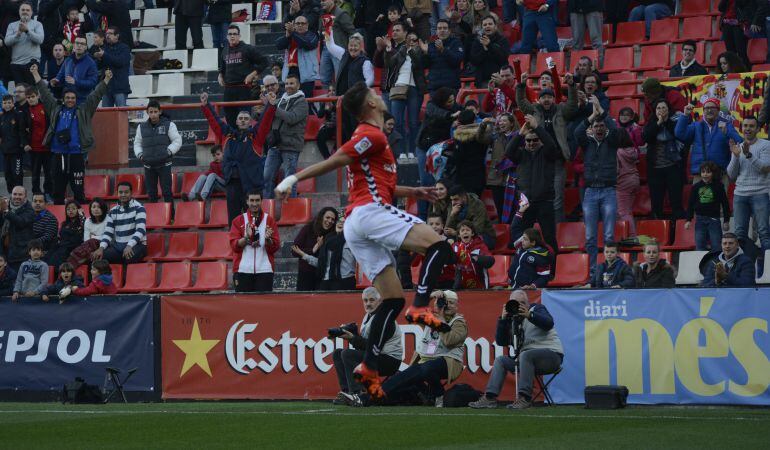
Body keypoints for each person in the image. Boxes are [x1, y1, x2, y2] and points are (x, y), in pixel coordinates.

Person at [274, 81, 457, 398]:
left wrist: (415, 192)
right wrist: (294, 177)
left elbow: (382, 186)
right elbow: (337, 159)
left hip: (359, 222)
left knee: (392, 299)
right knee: (440, 246)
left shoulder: (376, 142)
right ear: (370, 105)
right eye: (375, 94)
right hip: (369, 213)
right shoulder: (368, 134)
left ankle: (369, 367)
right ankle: (420, 308)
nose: (380, 96)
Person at [469, 289, 563, 409]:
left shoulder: (537, 309)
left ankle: (525, 398)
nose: (519, 307)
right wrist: (503, 320)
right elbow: (501, 342)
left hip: (552, 357)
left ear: (528, 304)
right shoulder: (513, 320)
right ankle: (489, 398)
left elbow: (549, 323)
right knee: (501, 360)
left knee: (525, 355)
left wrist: (529, 315)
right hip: (527, 362)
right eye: (515, 303)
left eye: (522, 303)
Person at [31, 64, 111, 205]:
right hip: (57, 155)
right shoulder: (55, 108)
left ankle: (82, 221)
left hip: (76, 155)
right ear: (63, 98)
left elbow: (95, 96)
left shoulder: (84, 110)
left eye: (73, 98)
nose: (70, 100)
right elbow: (44, 92)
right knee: (58, 191)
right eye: (67, 97)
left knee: (78, 190)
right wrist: (36, 74)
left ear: (76, 99)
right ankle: (59, 222)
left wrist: (106, 80)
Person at [377, 290, 467, 407]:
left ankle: (439, 394)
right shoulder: (430, 319)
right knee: (403, 377)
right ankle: (374, 396)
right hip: (426, 361)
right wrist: (430, 296)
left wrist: (441, 319)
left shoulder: (459, 322)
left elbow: (449, 341)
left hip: (448, 361)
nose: (447, 306)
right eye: (444, 302)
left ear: (457, 306)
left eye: (451, 303)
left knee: (426, 368)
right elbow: (412, 315)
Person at [200, 91, 275, 223]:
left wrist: (271, 105)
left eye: (246, 118)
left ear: (250, 122)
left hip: (252, 186)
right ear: (236, 121)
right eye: (240, 118)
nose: (243, 120)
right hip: (233, 185)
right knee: (234, 222)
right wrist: (206, 106)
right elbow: (215, 121)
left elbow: (265, 121)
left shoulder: (256, 136)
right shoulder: (227, 135)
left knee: (254, 222)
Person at [516, 74, 579, 223]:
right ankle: (541, 228)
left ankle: (558, 229)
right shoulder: (535, 110)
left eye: (549, 97)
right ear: (540, 99)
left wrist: (571, 86)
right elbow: (521, 103)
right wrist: (521, 86)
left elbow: (573, 105)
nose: (546, 100)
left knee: (557, 197)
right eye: (543, 97)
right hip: (539, 159)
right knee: (539, 196)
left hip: (557, 160)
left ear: (553, 99)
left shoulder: (561, 110)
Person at [575, 98, 627, 275]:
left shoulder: (611, 141)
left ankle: (609, 270)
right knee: (590, 237)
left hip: (608, 191)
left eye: (601, 126)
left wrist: (603, 113)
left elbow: (616, 129)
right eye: (595, 126)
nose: (598, 128)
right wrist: (593, 115)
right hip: (590, 192)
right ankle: (592, 272)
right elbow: (577, 132)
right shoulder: (586, 143)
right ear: (592, 128)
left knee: (609, 236)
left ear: (604, 128)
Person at [333, 287, 404, 406]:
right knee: (337, 353)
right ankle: (346, 393)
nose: (368, 304)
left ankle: (357, 394)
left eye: (371, 300)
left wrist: (352, 338)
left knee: (347, 354)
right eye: (365, 300)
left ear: (380, 301)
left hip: (389, 360)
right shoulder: (370, 316)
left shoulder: (383, 319)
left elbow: (373, 347)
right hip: (377, 356)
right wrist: (350, 333)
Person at [505, 115, 559, 253]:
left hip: (544, 202)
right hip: (526, 203)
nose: (531, 143)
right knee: (523, 238)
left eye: (535, 140)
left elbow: (551, 144)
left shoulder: (547, 153)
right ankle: (526, 266)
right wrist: (520, 134)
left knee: (549, 238)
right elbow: (508, 151)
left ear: (540, 140)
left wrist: (537, 128)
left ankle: (553, 270)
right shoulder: (521, 154)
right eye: (528, 140)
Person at [374, 24, 426, 158]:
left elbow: (420, 63)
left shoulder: (420, 52)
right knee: (397, 122)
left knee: (413, 122)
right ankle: (401, 151)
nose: (411, 42)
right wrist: (390, 48)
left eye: (414, 40)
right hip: (398, 87)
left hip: (414, 90)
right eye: (410, 39)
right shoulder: (401, 50)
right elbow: (390, 63)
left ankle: (413, 151)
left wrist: (413, 50)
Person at [726, 116, 770, 256]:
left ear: (758, 129)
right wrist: (737, 156)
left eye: (751, 126)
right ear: (741, 128)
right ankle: (742, 268)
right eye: (745, 126)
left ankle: (768, 269)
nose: (748, 129)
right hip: (740, 194)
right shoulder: (738, 147)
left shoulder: (765, 145)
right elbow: (731, 175)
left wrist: (749, 155)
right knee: (739, 234)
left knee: (763, 231)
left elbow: (765, 168)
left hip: (760, 193)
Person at [262, 74, 309, 199]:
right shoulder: (281, 99)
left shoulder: (302, 102)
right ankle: (268, 207)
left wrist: (272, 106)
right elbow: (269, 118)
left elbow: (291, 118)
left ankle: (291, 211)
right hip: (275, 144)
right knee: (267, 177)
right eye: (287, 83)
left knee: (289, 180)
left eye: (292, 83)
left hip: (291, 145)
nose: (288, 86)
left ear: (298, 85)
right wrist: (265, 108)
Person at [676, 99, 743, 183]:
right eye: (706, 108)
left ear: (718, 110)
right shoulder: (696, 125)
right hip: (700, 173)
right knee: (700, 196)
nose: (709, 110)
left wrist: (727, 132)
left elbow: (739, 142)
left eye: (712, 107)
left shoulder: (726, 125)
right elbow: (680, 134)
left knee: (720, 196)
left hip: (720, 174)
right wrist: (685, 115)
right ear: (703, 111)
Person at [642, 99, 686, 219]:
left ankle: (677, 231)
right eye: (658, 108)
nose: (661, 110)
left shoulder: (675, 122)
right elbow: (645, 137)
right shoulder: (651, 123)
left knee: (676, 202)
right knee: (656, 203)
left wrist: (665, 122)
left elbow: (678, 134)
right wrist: (658, 123)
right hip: (655, 169)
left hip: (673, 168)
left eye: (663, 108)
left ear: (668, 110)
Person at [229, 191, 281, 292]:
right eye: (251, 200)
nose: (254, 203)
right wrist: (246, 238)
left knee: (263, 305)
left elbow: (275, 247)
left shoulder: (269, 220)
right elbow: (234, 246)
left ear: (261, 201)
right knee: (243, 305)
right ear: (247, 202)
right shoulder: (238, 221)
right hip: (242, 270)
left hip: (265, 270)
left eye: (257, 200)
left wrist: (268, 240)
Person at [133, 100, 182, 205]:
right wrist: (141, 155)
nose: (153, 114)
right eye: (151, 112)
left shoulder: (169, 125)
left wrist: (168, 152)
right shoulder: (141, 127)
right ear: (147, 113)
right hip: (148, 166)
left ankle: (171, 218)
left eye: (155, 111)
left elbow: (177, 140)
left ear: (160, 111)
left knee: (167, 193)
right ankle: (154, 219)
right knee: (151, 194)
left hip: (165, 164)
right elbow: (137, 143)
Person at [219, 24, 269, 126]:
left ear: (239, 36)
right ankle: (233, 139)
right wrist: (220, 75)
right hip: (228, 91)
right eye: (230, 34)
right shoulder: (224, 50)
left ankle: (246, 139)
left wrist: (252, 74)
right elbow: (222, 67)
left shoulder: (247, 48)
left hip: (243, 89)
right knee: (230, 119)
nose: (232, 36)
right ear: (227, 36)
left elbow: (264, 61)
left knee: (244, 119)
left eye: (234, 34)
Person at [294, 215, 357, 291]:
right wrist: (304, 255)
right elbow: (321, 264)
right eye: (339, 221)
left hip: (345, 281)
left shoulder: (352, 242)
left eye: (344, 222)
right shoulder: (328, 242)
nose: (340, 223)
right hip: (326, 282)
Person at [92, 182, 147, 264]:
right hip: (118, 247)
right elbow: (108, 233)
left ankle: (125, 276)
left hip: (137, 245)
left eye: (126, 192)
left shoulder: (139, 208)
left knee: (128, 257)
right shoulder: (113, 211)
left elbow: (140, 230)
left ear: (131, 193)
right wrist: (101, 248)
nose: (123, 194)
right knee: (99, 256)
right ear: (117, 193)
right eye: (120, 192)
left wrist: (129, 245)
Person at [686, 161, 731, 251]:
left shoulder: (718, 186)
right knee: (699, 245)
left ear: (713, 173)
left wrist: (726, 220)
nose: (705, 174)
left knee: (717, 246)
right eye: (703, 172)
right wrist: (688, 220)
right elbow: (690, 204)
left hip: (714, 220)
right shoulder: (696, 187)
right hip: (700, 220)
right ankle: (701, 264)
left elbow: (725, 204)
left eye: (708, 172)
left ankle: (717, 265)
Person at [292, 207, 339, 291]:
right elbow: (294, 250)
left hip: (323, 275)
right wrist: (313, 249)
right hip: (306, 274)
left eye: (333, 219)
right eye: (327, 217)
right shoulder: (308, 228)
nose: (330, 221)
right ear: (321, 217)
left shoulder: (333, 235)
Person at [448, 112, 493, 197]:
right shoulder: (483, 135)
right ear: (474, 120)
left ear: (459, 122)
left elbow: (457, 159)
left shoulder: (459, 137)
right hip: (478, 175)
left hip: (462, 177)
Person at [276, 15, 320, 99]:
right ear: (294, 25)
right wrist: (287, 35)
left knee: (306, 101)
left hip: (306, 75)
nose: (300, 25)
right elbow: (279, 45)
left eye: (303, 23)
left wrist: (293, 33)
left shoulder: (312, 35)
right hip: (291, 72)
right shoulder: (291, 36)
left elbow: (306, 43)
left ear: (307, 25)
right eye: (298, 23)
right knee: (291, 100)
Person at [616, 107, 643, 236]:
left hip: (622, 183)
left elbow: (616, 170)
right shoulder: (632, 150)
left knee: (623, 212)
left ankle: (631, 237)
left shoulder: (618, 152)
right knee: (628, 210)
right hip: (634, 180)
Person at [317, 0, 356, 89]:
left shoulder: (341, 13)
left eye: (324, 0)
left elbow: (352, 32)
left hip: (338, 50)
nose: (322, 2)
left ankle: (341, 101)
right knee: (324, 78)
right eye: (321, 1)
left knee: (340, 77)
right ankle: (326, 102)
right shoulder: (321, 14)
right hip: (325, 49)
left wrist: (350, 48)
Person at [508, 216, 553, 290]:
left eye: (525, 239)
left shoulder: (541, 257)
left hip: (528, 291)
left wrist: (532, 286)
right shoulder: (520, 246)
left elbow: (544, 277)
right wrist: (519, 212)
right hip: (512, 287)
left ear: (533, 243)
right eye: (522, 238)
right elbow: (514, 228)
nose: (522, 241)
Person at [444, 184, 495, 249]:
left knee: (471, 244)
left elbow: (478, 229)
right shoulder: (453, 205)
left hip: (483, 235)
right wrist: (452, 215)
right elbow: (447, 229)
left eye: (456, 199)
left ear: (464, 197)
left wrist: (456, 233)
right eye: (451, 200)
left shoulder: (477, 204)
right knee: (447, 241)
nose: (453, 202)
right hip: (461, 235)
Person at [4, 2, 43, 85]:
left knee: (31, 91)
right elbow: (7, 42)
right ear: (19, 11)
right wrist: (17, 34)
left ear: (32, 12)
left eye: (28, 10)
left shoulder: (37, 24)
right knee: (20, 91)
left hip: (31, 63)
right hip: (16, 64)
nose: (25, 12)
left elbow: (40, 40)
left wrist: (27, 31)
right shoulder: (12, 25)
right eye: (23, 10)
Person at [52, 36, 99, 103]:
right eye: (77, 43)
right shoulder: (68, 60)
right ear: (74, 45)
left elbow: (93, 82)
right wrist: (56, 81)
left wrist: (76, 82)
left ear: (86, 47)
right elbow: (60, 75)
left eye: (82, 44)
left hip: (83, 101)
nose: (79, 45)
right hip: (68, 100)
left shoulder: (91, 63)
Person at [469, 15, 509, 90]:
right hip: (482, 82)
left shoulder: (503, 40)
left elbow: (503, 58)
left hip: (499, 81)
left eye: (490, 24)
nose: (487, 26)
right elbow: (474, 61)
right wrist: (484, 50)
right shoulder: (477, 41)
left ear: (495, 26)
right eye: (485, 25)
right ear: (482, 28)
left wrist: (489, 45)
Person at [0, 186, 36, 272]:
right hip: (5, 252)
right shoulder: (6, 205)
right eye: (15, 194)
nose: (17, 197)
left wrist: (6, 211)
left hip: (21, 254)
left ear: (25, 197)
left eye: (20, 194)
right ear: (11, 195)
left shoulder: (29, 209)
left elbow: (21, 222)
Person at [424, 19, 464, 94]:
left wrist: (443, 50)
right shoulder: (431, 45)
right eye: (439, 28)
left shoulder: (456, 43)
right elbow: (424, 65)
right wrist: (425, 53)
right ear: (436, 31)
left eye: (445, 28)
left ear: (449, 31)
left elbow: (457, 60)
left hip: (451, 87)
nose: (442, 30)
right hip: (434, 88)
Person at [451, 220, 494, 289]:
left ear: (472, 233)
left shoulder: (480, 245)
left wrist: (477, 258)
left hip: (480, 283)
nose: (465, 232)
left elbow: (491, 260)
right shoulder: (455, 247)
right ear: (459, 235)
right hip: (461, 284)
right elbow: (450, 259)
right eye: (462, 230)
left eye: (468, 230)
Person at [27, 86, 51, 200]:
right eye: (28, 97)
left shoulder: (45, 107)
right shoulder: (26, 110)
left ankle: (47, 193)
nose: (30, 99)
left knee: (48, 173)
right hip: (34, 148)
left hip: (47, 148)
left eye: (32, 96)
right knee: (35, 174)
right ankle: (36, 193)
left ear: (37, 96)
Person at [67, 198, 108, 267]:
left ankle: (71, 263)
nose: (96, 209)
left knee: (92, 241)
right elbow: (86, 239)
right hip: (89, 246)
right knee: (89, 243)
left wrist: (94, 237)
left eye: (99, 207)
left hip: (104, 244)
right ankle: (70, 266)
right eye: (94, 207)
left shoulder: (108, 219)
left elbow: (107, 236)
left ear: (103, 209)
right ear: (90, 209)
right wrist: (96, 237)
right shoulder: (88, 221)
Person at [0, 94, 27, 193]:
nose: (7, 105)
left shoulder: (18, 114)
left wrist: (24, 144)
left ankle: (20, 196)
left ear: (13, 103)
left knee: (17, 174)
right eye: (5, 103)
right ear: (2, 104)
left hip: (16, 152)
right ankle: (11, 197)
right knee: (7, 175)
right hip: (5, 151)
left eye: (9, 103)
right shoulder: (1, 117)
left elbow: (22, 131)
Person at [45, 199, 84, 268]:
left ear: (78, 210)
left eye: (73, 208)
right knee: (48, 254)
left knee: (58, 256)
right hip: (61, 246)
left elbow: (77, 240)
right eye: (68, 209)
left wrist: (82, 217)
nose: (70, 211)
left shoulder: (82, 223)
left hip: (72, 247)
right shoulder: (64, 224)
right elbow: (60, 237)